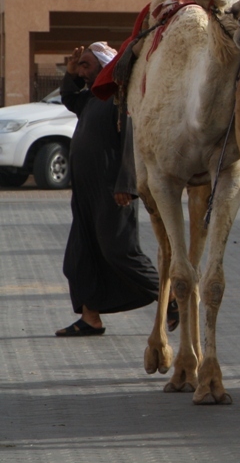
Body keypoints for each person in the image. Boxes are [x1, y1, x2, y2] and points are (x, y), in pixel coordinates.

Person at [55, 42, 160, 336]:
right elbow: (68, 96)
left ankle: (171, 296)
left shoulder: (119, 97)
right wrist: (73, 73)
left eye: (88, 65)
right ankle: (91, 318)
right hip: (85, 195)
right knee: (80, 258)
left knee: (119, 251)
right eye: (82, 66)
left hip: (112, 191)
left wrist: (126, 183)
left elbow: (130, 141)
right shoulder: (91, 98)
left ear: (104, 67)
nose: (83, 70)